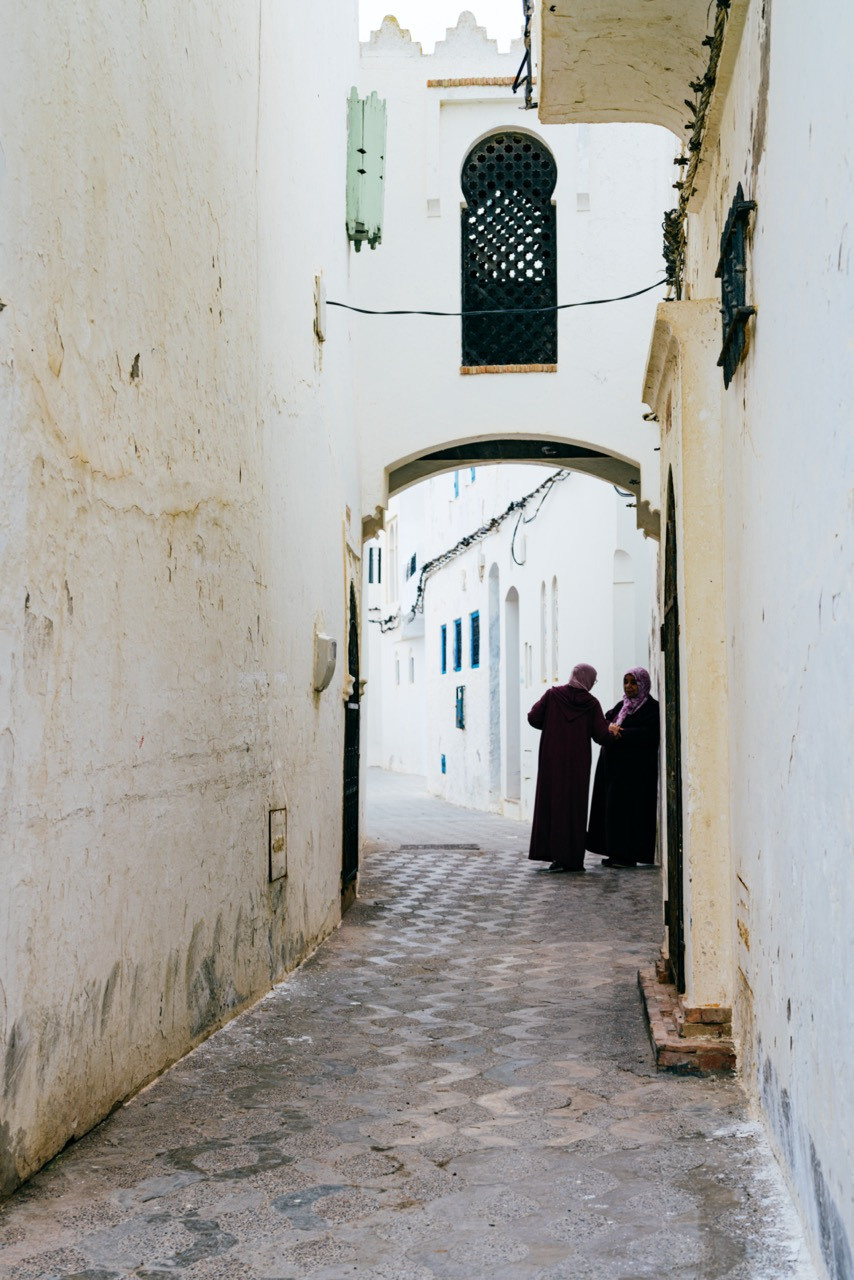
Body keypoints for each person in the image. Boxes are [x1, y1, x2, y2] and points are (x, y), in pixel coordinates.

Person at [527, 663, 612, 873]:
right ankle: (571, 859)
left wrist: (551, 724)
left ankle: (553, 854)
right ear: (588, 680)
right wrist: (616, 732)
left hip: (551, 761)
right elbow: (601, 736)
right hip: (577, 765)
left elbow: (533, 717)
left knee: (552, 803)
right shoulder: (591, 704)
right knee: (574, 807)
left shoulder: (553, 695)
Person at [587, 667, 660, 867]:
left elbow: (648, 733)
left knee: (630, 812)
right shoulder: (622, 706)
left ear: (643, 684)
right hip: (612, 768)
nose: (629, 687)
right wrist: (610, 727)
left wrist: (622, 733)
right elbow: (606, 719)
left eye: (633, 682)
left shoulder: (652, 708)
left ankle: (628, 857)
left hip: (635, 772)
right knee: (612, 810)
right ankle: (614, 853)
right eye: (626, 682)